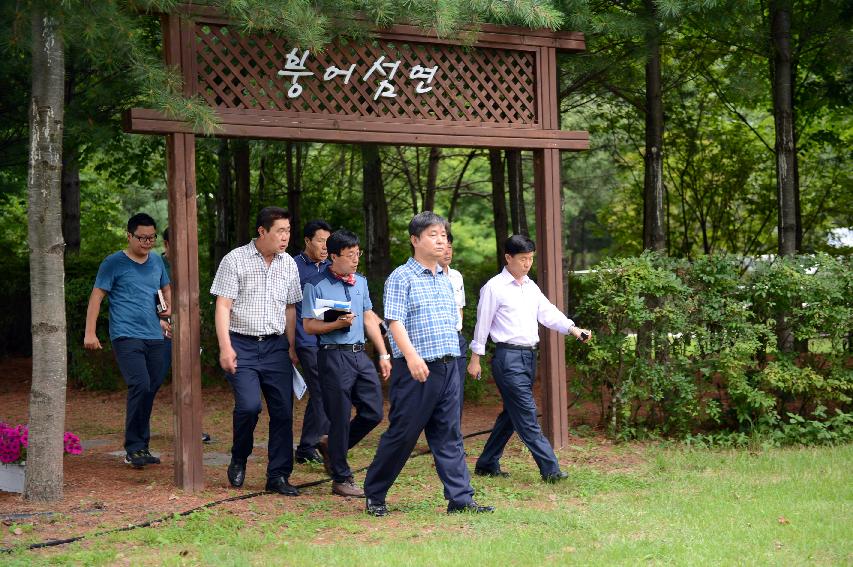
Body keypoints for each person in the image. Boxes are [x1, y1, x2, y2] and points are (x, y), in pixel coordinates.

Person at [362, 211, 493, 517]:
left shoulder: (446, 280)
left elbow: (452, 324)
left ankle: (461, 499)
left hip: (449, 366)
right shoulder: (401, 277)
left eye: (443, 236)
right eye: (433, 235)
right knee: (403, 433)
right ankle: (375, 493)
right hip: (416, 370)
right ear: (415, 240)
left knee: (448, 433)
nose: (440, 240)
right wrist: (410, 357)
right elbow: (394, 320)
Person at [467, 235, 591, 482]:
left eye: (530, 259)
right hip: (507, 357)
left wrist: (573, 329)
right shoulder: (494, 287)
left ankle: (486, 463)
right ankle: (551, 470)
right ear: (508, 258)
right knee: (527, 412)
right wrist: (475, 359)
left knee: (512, 414)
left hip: (527, 357)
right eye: (523, 259)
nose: (527, 264)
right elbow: (482, 325)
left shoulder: (530, 286)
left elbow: (548, 313)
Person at [210, 206, 303, 496]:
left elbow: (290, 308)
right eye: (280, 231)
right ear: (262, 231)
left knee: (283, 412)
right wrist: (226, 347)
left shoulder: (288, 264)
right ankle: (239, 456)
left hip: (276, 346)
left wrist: (292, 346)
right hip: (242, 344)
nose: (286, 237)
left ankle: (278, 476)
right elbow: (223, 305)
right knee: (249, 406)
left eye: (288, 231)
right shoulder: (234, 260)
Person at [302, 229, 391, 497]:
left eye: (357, 254)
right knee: (339, 417)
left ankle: (332, 446)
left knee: (374, 411)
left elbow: (368, 317)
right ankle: (341, 478)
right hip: (332, 355)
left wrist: (383, 353)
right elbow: (308, 325)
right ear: (333, 256)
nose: (355, 260)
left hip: (359, 355)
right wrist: (335, 324)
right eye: (350, 255)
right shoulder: (316, 285)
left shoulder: (360, 283)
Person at [84, 213, 171, 469]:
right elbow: (97, 297)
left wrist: (167, 310)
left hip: (155, 335)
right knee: (140, 384)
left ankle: (141, 446)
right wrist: (90, 333)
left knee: (151, 387)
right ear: (129, 235)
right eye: (142, 238)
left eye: (152, 238)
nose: (147, 242)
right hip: (126, 335)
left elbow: (165, 288)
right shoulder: (113, 263)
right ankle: (133, 447)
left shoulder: (156, 261)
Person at [161, 227, 212, 444]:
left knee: (189, 378)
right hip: (161, 329)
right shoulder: (157, 264)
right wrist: (161, 320)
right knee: (150, 383)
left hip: (186, 328)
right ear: (167, 244)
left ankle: (191, 427)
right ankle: (139, 432)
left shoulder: (189, 265)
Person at [292, 219, 333, 465]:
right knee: (323, 390)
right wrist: (290, 343)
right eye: (321, 240)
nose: (325, 246)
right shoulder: (293, 267)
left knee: (322, 391)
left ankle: (307, 445)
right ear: (308, 241)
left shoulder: (331, 267)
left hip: (328, 338)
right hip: (304, 338)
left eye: (329, 241)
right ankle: (318, 443)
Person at [439, 231, 467, 427]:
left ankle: (454, 436)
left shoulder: (456, 276)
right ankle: (440, 436)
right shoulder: (430, 276)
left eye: (450, 247)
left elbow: (460, 308)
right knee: (441, 391)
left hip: (457, 338)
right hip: (439, 340)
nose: (448, 252)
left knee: (458, 390)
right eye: (444, 247)